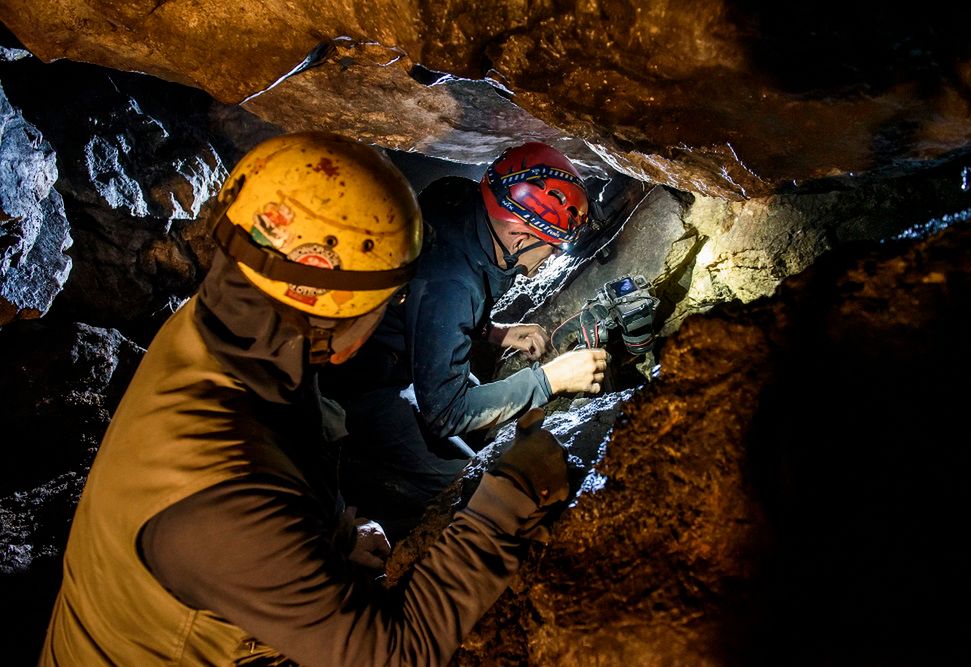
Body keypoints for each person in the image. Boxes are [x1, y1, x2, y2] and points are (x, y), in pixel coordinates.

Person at [39, 132, 572, 666]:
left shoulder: (224, 332)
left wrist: (334, 535)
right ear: (339, 307)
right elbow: (393, 656)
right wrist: (509, 494)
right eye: (392, 298)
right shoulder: (227, 501)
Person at [321, 142, 608, 540]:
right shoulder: (453, 284)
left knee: (488, 423)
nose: (552, 257)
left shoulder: (457, 199)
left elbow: (426, 306)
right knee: (472, 489)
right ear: (520, 235)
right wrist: (549, 380)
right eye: (552, 245)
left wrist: (496, 332)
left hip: (396, 348)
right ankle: (360, 481)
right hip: (358, 388)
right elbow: (446, 413)